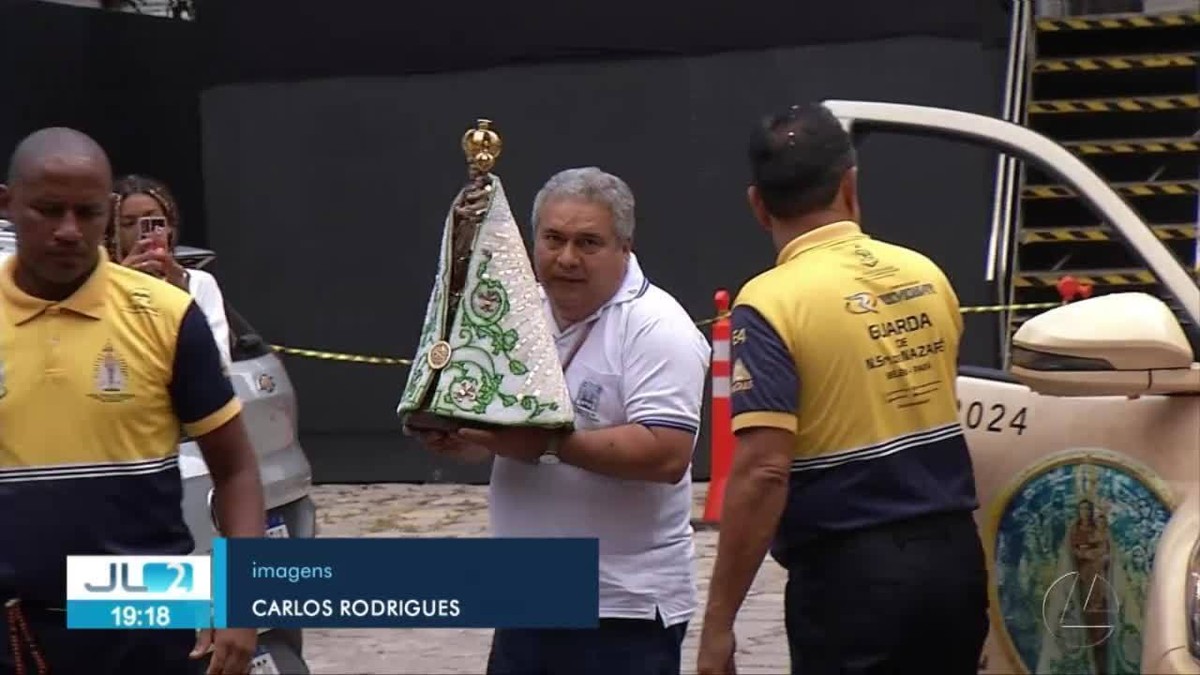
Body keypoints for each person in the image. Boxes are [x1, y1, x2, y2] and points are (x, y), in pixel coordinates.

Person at [696, 103, 988, 675]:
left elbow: (763, 472)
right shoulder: (926, 275)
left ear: (758, 205)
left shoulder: (770, 304)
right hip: (954, 563)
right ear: (851, 187)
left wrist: (719, 624)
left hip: (852, 583)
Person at [410, 167, 711, 675]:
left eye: (588, 242)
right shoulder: (520, 317)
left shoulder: (658, 327)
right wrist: (465, 438)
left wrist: (547, 443)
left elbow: (666, 453)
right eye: (553, 239)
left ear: (624, 246)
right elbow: (508, 432)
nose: (566, 258)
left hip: (619, 610)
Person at [0, 127, 265, 675]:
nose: (69, 231)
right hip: (12, 624)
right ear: (7, 205)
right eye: (48, 211)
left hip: (143, 614)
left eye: (89, 213)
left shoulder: (166, 315)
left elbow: (236, 467)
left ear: (110, 210)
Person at [109, 174, 232, 367]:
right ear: (113, 231)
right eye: (128, 223)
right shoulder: (103, 283)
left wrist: (181, 296)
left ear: (169, 227)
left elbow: (219, 363)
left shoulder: (199, 283)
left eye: (154, 221)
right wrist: (121, 284)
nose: (144, 233)